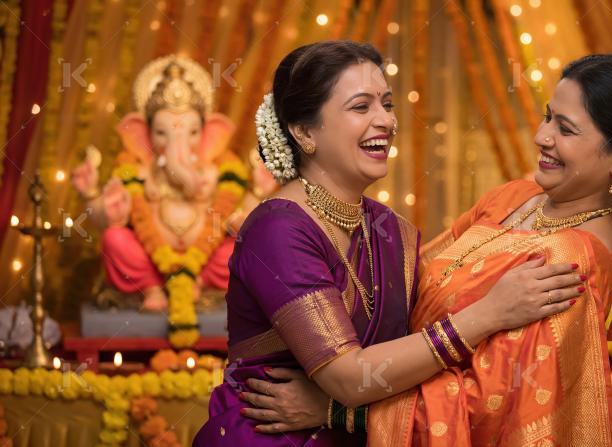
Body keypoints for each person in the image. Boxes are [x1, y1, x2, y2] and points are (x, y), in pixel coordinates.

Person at [240, 53, 612, 446]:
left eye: (566, 129)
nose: (542, 136)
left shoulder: (567, 266)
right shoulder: (521, 196)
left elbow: (492, 407)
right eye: (548, 116)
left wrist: (342, 411)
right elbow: (414, 282)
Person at [193, 40, 585, 446]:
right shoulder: (278, 230)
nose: (385, 120)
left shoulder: (390, 230)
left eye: (387, 103)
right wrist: (489, 314)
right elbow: (349, 377)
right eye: (361, 107)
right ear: (305, 131)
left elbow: (426, 332)